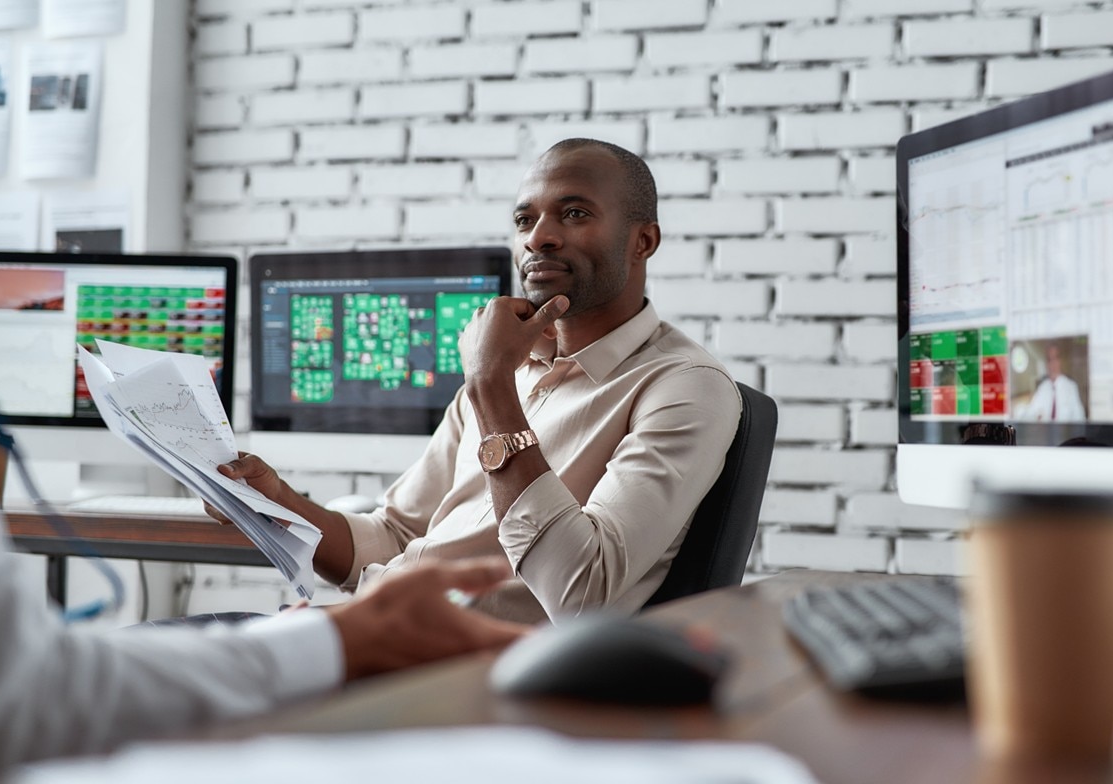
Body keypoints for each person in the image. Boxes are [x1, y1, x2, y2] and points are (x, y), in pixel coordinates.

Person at [209, 139, 741, 624]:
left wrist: (490, 385)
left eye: (574, 214)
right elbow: (395, 537)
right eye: (524, 219)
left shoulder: (684, 387)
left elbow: (581, 594)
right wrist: (278, 501)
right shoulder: (509, 371)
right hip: (358, 631)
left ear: (642, 241)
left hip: (449, 673)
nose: (540, 237)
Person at [0, 429, 526, 774]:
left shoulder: (507, 385)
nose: (541, 238)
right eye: (522, 230)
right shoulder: (484, 386)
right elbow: (21, 695)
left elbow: (587, 584)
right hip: (373, 642)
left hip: (464, 658)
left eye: (571, 229)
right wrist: (336, 637)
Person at [1024, 343, 1086, 422]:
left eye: (1055, 358)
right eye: (1049, 360)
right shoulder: (1042, 387)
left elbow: (1079, 418)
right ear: (1046, 364)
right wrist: (1036, 419)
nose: (1052, 364)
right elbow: (1030, 412)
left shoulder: (1071, 387)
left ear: (1061, 361)